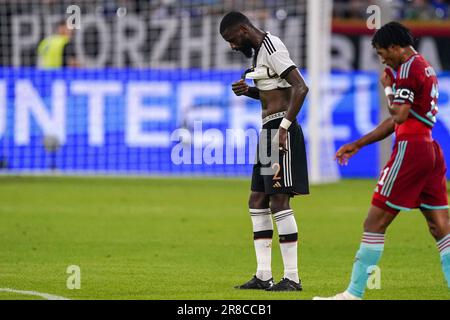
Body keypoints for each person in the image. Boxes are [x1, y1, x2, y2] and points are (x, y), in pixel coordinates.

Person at [314, 21, 450, 300]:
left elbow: (398, 115)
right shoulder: (423, 65)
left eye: (382, 53)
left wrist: (388, 88)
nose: (382, 59)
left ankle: (352, 294)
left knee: (374, 222)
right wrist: (358, 144)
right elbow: (399, 120)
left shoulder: (408, 69)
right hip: (430, 150)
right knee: (441, 227)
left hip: (410, 150)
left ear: (395, 47)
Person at [219, 12, 309, 291]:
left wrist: (283, 129)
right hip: (268, 131)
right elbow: (276, 93)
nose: (233, 46)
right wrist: (249, 91)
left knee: (279, 202)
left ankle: (292, 278)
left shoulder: (272, 47)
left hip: (281, 132)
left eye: (232, 39)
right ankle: (263, 275)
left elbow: (300, 87)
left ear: (244, 30)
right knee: (257, 200)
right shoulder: (258, 54)